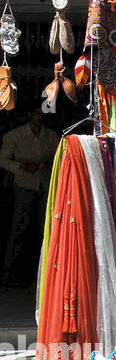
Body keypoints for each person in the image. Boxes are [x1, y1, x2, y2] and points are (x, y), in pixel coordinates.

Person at [0, 105, 59, 286]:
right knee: (20, 226)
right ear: (30, 114)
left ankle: (44, 275)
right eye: (37, 113)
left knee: (45, 228)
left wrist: (47, 166)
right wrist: (22, 166)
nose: (41, 118)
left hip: (45, 184)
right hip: (24, 183)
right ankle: (9, 272)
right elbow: (3, 160)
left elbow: (59, 157)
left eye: (43, 114)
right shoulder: (15, 135)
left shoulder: (51, 136)